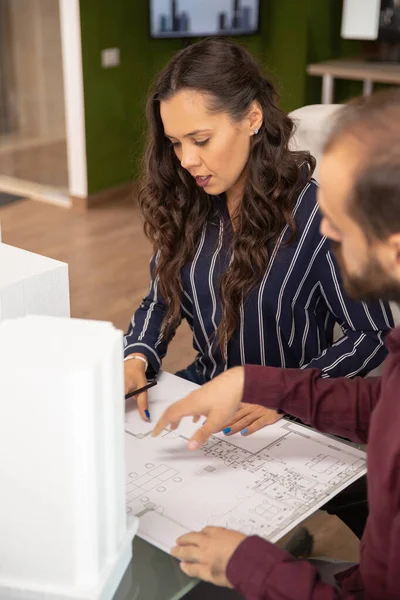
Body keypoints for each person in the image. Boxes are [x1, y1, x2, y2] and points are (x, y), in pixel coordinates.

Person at [152, 89, 400, 599]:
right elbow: (384, 405)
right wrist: (258, 382)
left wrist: (254, 565)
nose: (325, 231)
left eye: (340, 221)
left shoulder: (301, 218)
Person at [124, 38, 391, 435]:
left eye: (201, 140)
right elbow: (162, 298)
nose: (186, 160)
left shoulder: (318, 215)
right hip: (207, 390)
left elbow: (373, 334)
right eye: (175, 143)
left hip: (281, 416)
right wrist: (136, 359)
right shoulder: (187, 199)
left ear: (252, 119)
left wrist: (289, 395)